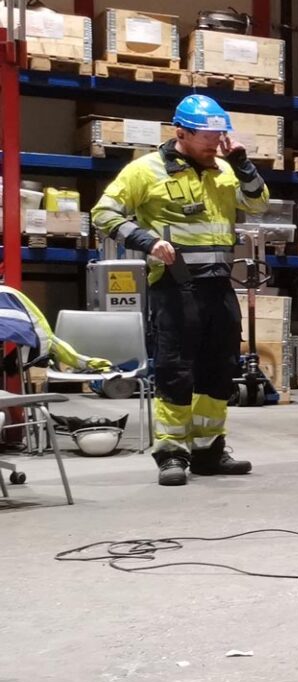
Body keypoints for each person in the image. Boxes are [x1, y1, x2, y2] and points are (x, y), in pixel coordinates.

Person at [90, 94, 266, 486]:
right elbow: (103, 213)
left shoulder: (224, 169)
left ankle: (209, 451)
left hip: (219, 285)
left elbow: (258, 205)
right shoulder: (145, 171)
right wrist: (146, 241)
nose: (213, 144)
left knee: (219, 370)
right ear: (180, 132)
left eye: (219, 135)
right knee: (175, 371)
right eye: (206, 136)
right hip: (175, 286)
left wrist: (241, 163)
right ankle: (172, 453)